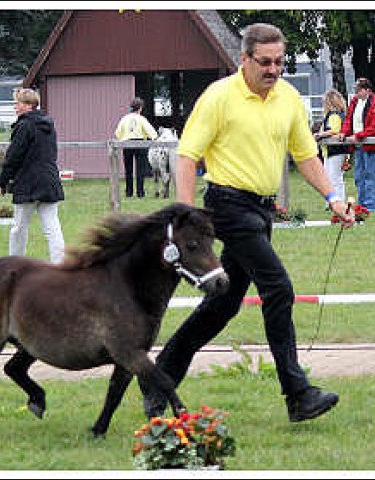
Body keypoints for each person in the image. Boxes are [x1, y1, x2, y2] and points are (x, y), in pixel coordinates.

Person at [138, 23, 354, 423]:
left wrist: (334, 198)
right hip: (227, 204)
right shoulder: (219, 97)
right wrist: (186, 216)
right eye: (265, 62)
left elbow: (306, 156)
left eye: (279, 62)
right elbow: (187, 156)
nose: (273, 70)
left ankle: (157, 376)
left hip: (260, 210)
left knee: (223, 305)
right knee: (278, 288)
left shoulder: (289, 99)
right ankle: (298, 393)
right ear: (244, 59)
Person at [0, 88, 65, 264]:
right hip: (49, 180)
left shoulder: (24, 126)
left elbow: (13, 156)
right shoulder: (49, 126)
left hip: (28, 182)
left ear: (28, 105)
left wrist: (3, 181)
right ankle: (60, 263)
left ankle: (15, 263)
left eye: (17, 104)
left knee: (19, 227)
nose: (15, 107)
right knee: (52, 227)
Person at [338, 78, 375, 212]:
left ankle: (370, 205)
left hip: (371, 146)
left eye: (359, 90)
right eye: (356, 90)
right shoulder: (354, 102)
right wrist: (344, 132)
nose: (356, 92)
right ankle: (361, 204)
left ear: (367, 90)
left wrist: (358, 135)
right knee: (359, 175)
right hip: (358, 145)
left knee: (370, 175)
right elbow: (349, 119)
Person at [114, 97, 158, 198]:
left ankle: (129, 192)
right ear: (140, 108)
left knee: (128, 169)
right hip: (140, 144)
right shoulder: (142, 119)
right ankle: (140, 192)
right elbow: (153, 134)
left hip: (127, 144)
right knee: (140, 169)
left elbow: (117, 133)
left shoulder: (124, 118)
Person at [314, 89, 348, 209]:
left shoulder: (334, 115)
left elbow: (334, 130)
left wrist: (320, 135)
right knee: (332, 178)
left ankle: (337, 203)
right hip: (331, 152)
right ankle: (334, 203)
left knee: (334, 178)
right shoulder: (337, 115)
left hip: (336, 151)